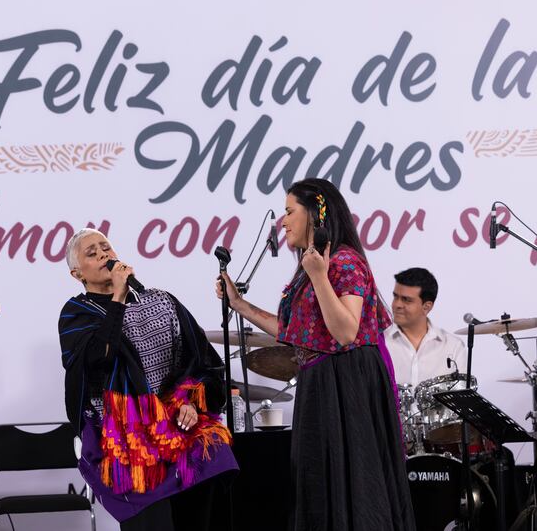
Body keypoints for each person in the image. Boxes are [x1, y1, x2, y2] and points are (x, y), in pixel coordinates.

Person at [216, 180, 416, 530]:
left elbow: (346, 331)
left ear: (315, 214)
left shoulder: (344, 261)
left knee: (355, 486)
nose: (283, 221)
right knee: (319, 485)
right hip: (320, 381)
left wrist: (320, 277)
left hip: (348, 382)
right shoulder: (312, 266)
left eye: (290, 211)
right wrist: (238, 304)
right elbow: (293, 332)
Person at [59, 228, 238, 531]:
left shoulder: (162, 301)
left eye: (106, 247)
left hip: (178, 429)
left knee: (210, 485)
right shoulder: (77, 314)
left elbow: (203, 363)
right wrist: (117, 296)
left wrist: (192, 402)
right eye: (92, 253)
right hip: (129, 444)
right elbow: (99, 357)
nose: (104, 254)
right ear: (78, 274)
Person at [385, 267, 466, 386]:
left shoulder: (453, 346)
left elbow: (458, 399)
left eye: (406, 300)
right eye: (395, 297)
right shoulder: (379, 342)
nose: (397, 304)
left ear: (426, 307)